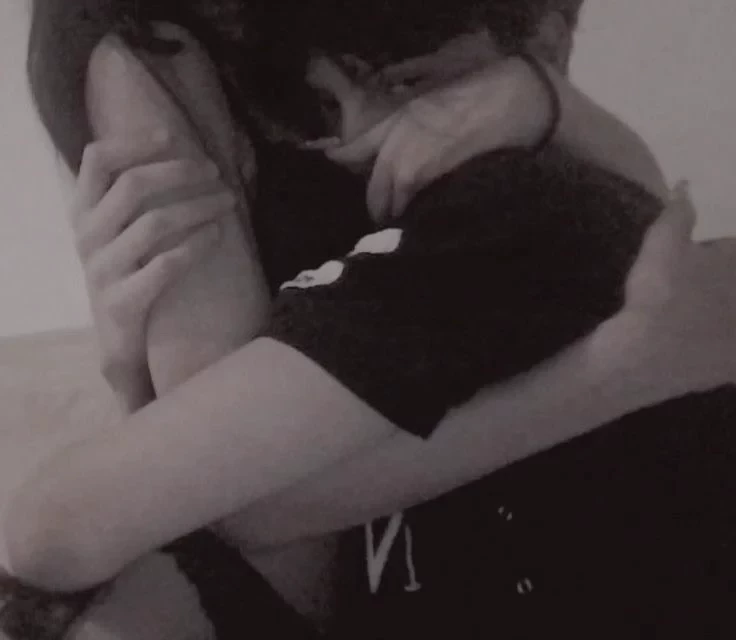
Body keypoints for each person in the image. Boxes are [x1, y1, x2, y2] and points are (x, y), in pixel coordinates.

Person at [1, 0, 735, 638]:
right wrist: (133, 384)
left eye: (406, 83)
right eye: (317, 107)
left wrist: (628, 368)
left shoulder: (510, 211)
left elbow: (63, 529)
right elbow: (256, 533)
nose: (360, 137)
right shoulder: (389, 265)